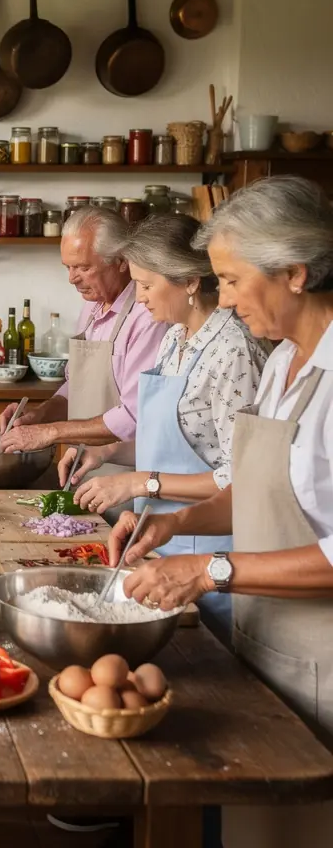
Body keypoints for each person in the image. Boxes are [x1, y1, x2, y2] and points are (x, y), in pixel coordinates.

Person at [111, 176, 333, 848]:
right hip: (265, 647)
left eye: (233, 280)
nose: (226, 299)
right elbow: (255, 488)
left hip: (323, 666)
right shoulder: (279, 367)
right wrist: (176, 523)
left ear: (294, 273)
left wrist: (209, 571)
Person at [58, 213, 268, 637]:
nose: (138, 298)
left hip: (211, 557)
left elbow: (240, 478)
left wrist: (140, 484)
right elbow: (173, 438)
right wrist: (108, 452)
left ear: (190, 281)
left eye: (147, 286)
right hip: (159, 543)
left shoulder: (232, 352)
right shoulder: (174, 338)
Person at [0, 206, 168, 474]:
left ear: (121, 260)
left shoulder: (148, 316)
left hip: (127, 474)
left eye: (83, 267)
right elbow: (76, 386)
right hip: (82, 468)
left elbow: (135, 417)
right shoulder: (91, 307)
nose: (72, 279)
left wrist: (50, 432)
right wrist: (39, 415)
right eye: (68, 267)